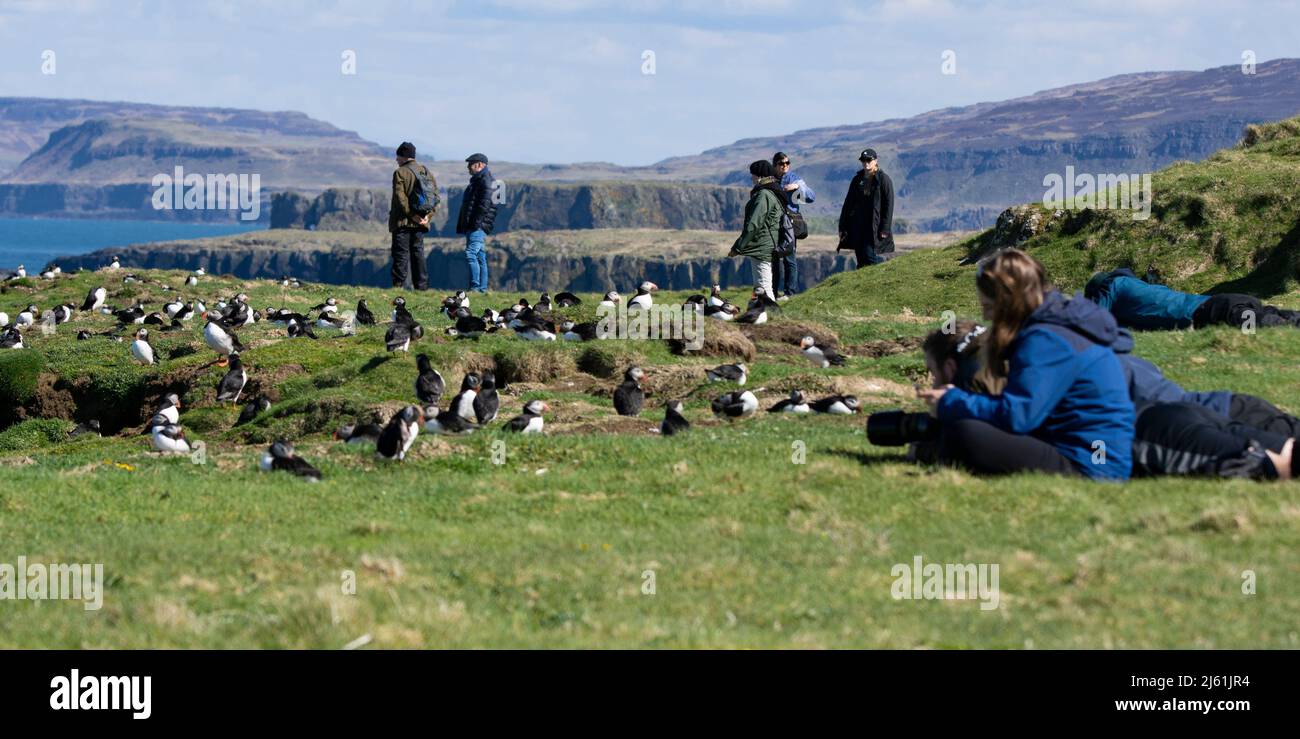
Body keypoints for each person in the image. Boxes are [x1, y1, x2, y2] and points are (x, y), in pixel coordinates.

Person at [921, 320, 1297, 480]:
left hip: (1159, 430)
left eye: (933, 372)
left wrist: (945, 412)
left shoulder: (995, 390)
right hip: (1192, 411)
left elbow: (1001, 423)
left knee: (1275, 465)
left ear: (951, 368)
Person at [917, 249, 1134, 480]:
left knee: (963, 432)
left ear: (1008, 302)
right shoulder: (1056, 325)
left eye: (989, 307)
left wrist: (951, 401)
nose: (987, 317)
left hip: (1091, 462)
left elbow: (1018, 415)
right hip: (1091, 450)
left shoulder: (1045, 339)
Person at [1085, 268, 1300, 330]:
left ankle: (1289, 325)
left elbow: (1093, 318)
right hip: (1222, 302)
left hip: (1212, 310)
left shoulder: (1112, 286)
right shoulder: (1135, 286)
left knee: (1256, 326)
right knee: (1268, 313)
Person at [728, 160, 784, 302]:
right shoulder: (773, 192)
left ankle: (771, 316)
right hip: (767, 243)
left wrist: (737, 247)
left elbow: (754, 224)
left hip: (762, 245)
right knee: (764, 284)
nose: (751, 178)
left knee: (763, 286)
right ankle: (768, 315)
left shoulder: (763, 195)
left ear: (760, 176)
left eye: (752, 175)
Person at [388, 142, 436, 290]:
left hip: (403, 222)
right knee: (418, 254)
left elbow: (400, 197)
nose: (396, 160)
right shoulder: (426, 172)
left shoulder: (400, 173)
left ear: (403, 156)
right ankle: (421, 287)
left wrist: (411, 215)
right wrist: (428, 216)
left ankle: (398, 286)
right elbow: (434, 197)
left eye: (398, 156)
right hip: (421, 222)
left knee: (401, 254)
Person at [838, 148, 894, 268]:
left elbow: (889, 205)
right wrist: (842, 226)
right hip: (857, 225)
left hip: (874, 226)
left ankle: (873, 283)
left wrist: (885, 227)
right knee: (860, 256)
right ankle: (862, 283)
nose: (866, 163)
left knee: (870, 256)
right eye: (863, 160)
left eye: (869, 160)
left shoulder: (883, 180)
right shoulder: (857, 180)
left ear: (875, 161)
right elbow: (848, 204)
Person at [771, 152, 815, 300]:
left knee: (789, 259)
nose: (785, 166)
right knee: (773, 259)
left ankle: (789, 293)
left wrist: (797, 187)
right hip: (773, 224)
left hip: (789, 224)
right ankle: (772, 293)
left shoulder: (793, 178)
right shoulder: (770, 179)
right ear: (775, 165)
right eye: (781, 164)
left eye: (787, 163)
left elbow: (810, 197)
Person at [456, 153, 498, 294]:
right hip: (476, 225)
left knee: (471, 254)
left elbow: (484, 205)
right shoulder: (480, 180)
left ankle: (475, 287)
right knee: (480, 257)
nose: (468, 167)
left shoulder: (485, 181)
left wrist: (475, 224)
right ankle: (482, 288)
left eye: (471, 164)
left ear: (480, 164)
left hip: (477, 226)